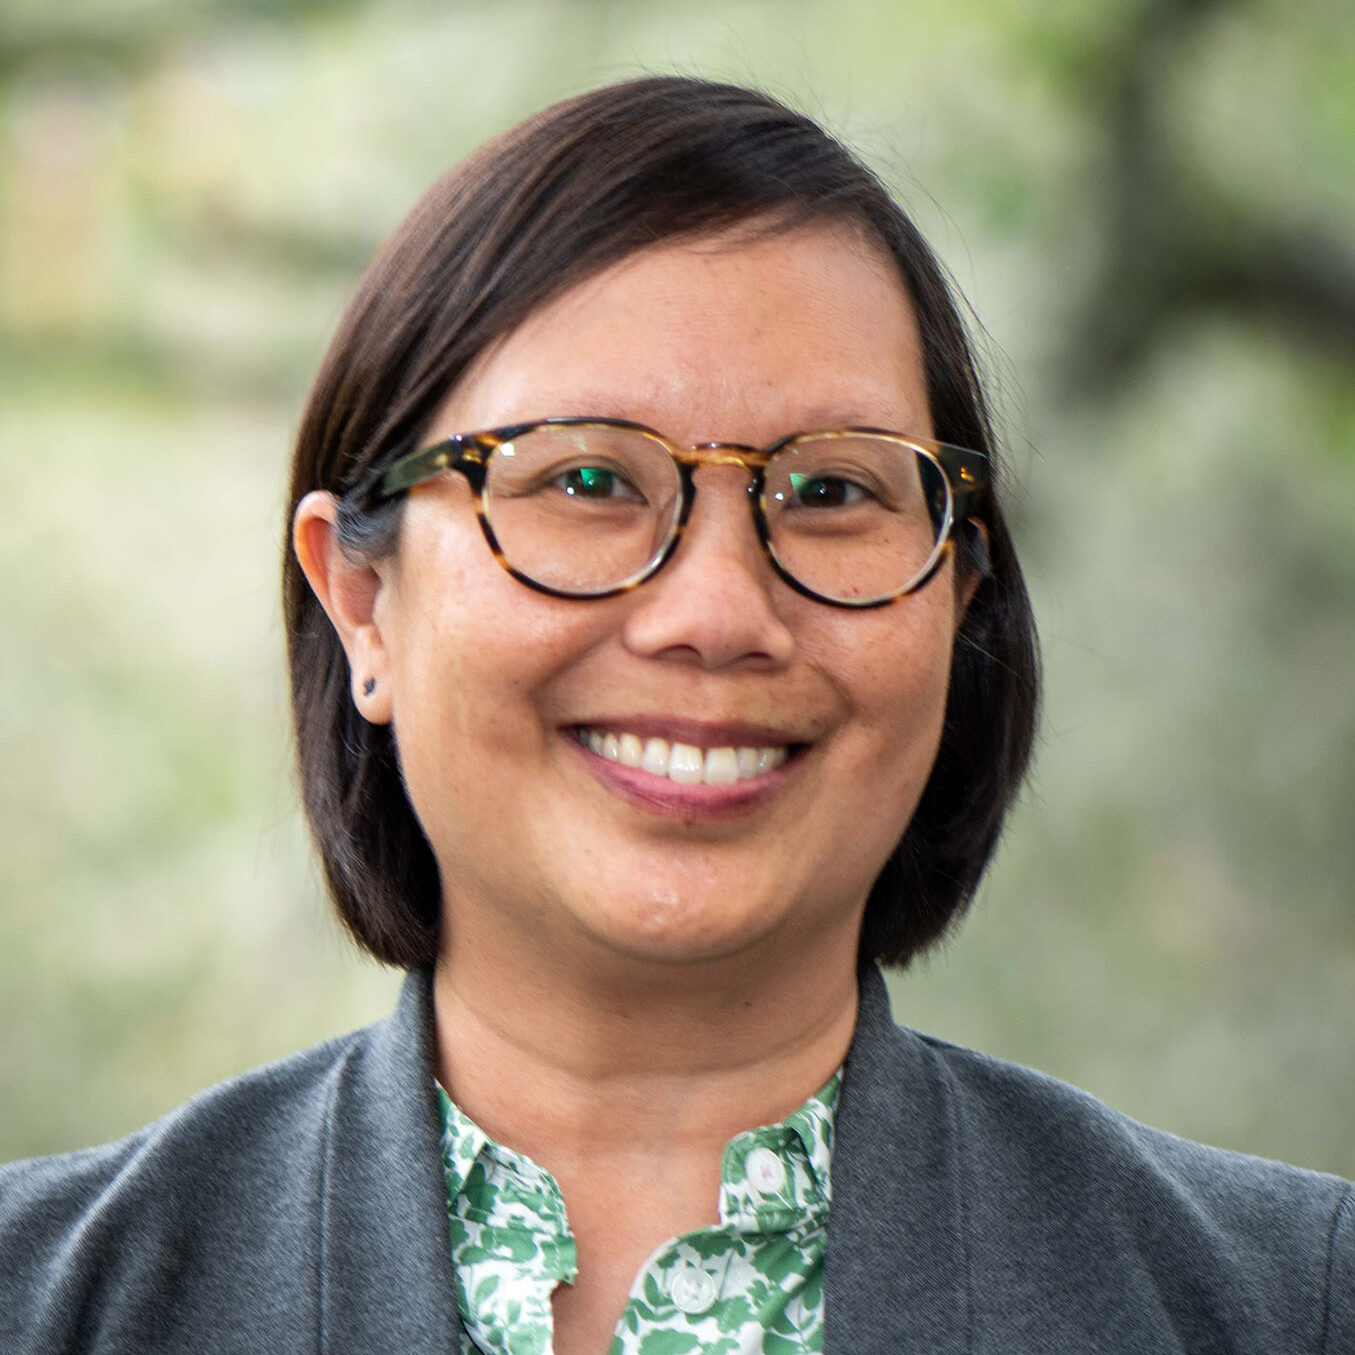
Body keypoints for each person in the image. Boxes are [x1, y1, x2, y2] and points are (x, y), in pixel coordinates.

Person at [1, 75, 1350, 1355]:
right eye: (586, 480)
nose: (715, 611)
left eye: (833, 493)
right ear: (362, 601)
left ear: (959, 603)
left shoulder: (1292, 1307)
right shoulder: (39, 1301)